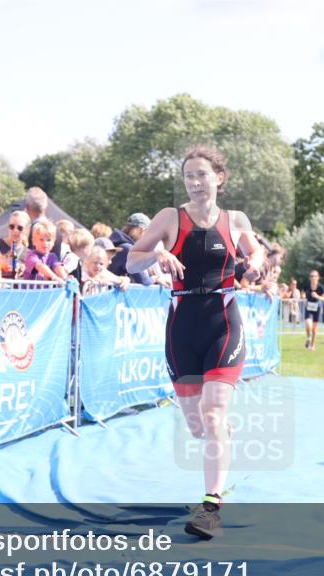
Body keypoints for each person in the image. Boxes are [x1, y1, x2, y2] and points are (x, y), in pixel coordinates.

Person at [126, 145, 264, 540]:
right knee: (199, 425)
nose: (195, 182)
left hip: (223, 324)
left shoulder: (236, 220)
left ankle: (210, 508)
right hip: (182, 327)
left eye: (202, 174)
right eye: (188, 176)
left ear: (219, 178)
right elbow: (131, 261)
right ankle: (221, 437)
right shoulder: (171, 218)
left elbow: (257, 259)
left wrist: (253, 265)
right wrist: (157, 253)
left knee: (214, 411)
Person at [110, 213, 155, 286]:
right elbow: (144, 281)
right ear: (141, 230)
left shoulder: (119, 245)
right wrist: (155, 279)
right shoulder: (128, 249)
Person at [0, 211, 30, 279]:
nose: (15, 230)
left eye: (20, 228)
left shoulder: (29, 254)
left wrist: (24, 269)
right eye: (12, 226)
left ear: (27, 229)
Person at [303, 270, 324, 350]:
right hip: (308, 307)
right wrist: (304, 298)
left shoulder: (320, 287)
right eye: (311, 276)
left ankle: (312, 345)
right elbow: (303, 293)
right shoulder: (307, 286)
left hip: (317, 307)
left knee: (314, 329)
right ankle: (308, 338)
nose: (313, 278)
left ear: (318, 277)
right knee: (308, 324)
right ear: (310, 278)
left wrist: (318, 296)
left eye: (315, 276)